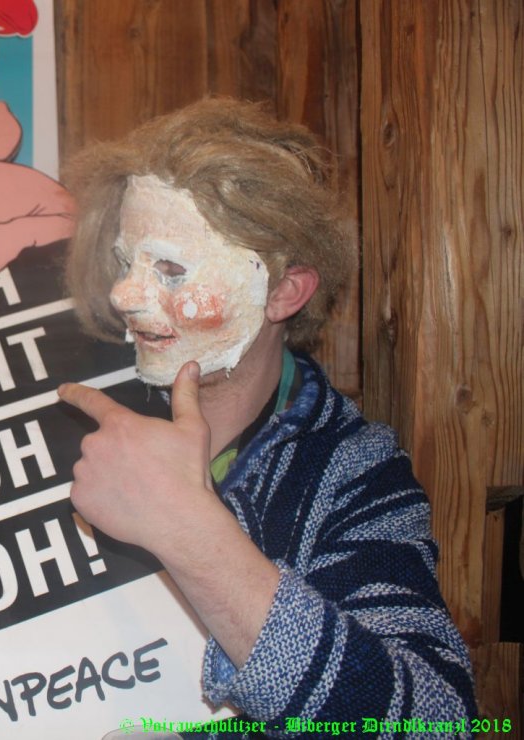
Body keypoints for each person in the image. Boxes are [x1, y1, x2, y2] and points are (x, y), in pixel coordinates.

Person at [58, 98, 477, 734]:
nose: (124, 294)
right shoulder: (78, 410)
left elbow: (435, 723)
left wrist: (192, 535)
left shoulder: (351, 470)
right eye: (126, 262)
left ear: (284, 291)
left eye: (171, 269)